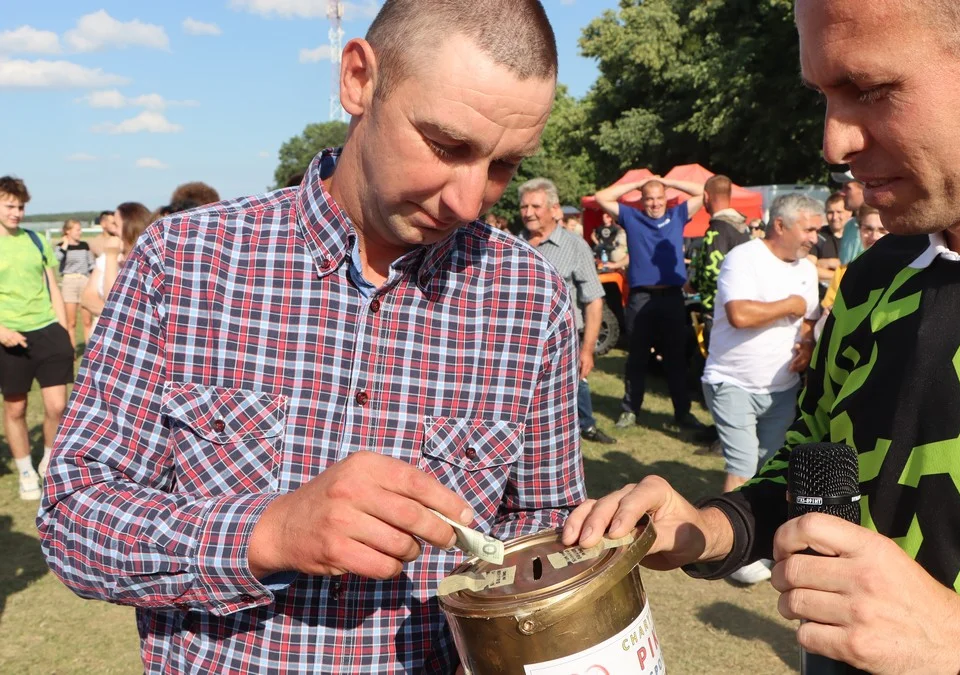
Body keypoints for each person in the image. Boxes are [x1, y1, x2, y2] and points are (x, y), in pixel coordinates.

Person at [563, 0, 960, 671]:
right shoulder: (874, 278)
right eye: (825, 96)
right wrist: (708, 528)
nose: (833, 143)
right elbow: (815, 473)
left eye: (869, 90)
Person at [39, 2, 584, 673]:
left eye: (502, 164)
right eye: (447, 146)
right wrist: (268, 532)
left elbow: (541, 532)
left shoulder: (532, 302)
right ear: (358, 79)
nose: (469, 202)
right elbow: (72, 519)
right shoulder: (183, 262)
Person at [702, 193, 823, 584]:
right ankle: (731, 555)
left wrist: (806, 344)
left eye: (818, 230)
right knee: (742, 464)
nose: (815, 238)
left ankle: (762, 541)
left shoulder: (806, 268)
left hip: (782, 387)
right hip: (732, 380)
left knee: (771, 466)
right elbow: (739, 314)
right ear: (780, 225)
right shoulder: (744, 258)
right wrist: (787, 304)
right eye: (809, 229)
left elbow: (810, 317)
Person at [593, 175, 707, 432]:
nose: (655, 204)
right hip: (640, 297)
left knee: (676, 359)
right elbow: (602, 196)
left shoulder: (677, 215)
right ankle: (630, 410)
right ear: (642, 201)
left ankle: (683, 414)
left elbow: (702, 192)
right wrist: (638, 183)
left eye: (659, 198)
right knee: (637, 357)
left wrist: (669, 181)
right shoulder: (632, 217)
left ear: (666, 199)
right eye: (649, 199)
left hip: (673, 298)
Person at [519, 178, 617, 445]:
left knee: (570, 396)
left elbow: (594, 300)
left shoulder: (575, 246)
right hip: (520, 342)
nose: (528, 212)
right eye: (524, 206)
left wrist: (587, 350)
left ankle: (584, 427)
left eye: (535, 206)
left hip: (564, 342)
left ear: (554, 208)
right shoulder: (516, 246)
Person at [0, 176, 73, 501]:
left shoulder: (34, 240)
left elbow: (53, 287)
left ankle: (47, 460)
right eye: (9, 206)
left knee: (57, 406)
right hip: (7, 334)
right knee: (16, 408)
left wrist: (63, 330)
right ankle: (25, 469)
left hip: (47, 330)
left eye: (20, 207)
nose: (16, 213)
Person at [80, 202, 154, 328]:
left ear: (131, 226)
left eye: (116, 224)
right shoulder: (107, 257)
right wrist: (115, 315)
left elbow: (114, 299)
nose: (112, 229)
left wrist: (111, 257)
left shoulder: (149, 261)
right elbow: (87, 298)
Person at [689, 175, 751, 315]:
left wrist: (693, 284)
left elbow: (713, 271)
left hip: (718, 309)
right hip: (741, 304)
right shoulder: (742, 228)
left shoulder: (717, 229)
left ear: (706, 197)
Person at [820, 204, 888, 311]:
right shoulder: (843, 272)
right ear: (860, 230)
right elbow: (827, 315)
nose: (874, 236)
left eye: (882, 230)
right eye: (868, 229)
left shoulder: (904, 272)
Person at [54, 218, 95, 343]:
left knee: (87, 320)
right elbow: (56, 259)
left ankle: (89, 350)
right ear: (68, 231)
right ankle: (72, 352)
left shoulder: (84, 246)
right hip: (69, 282)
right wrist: (65, 245)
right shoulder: (60, 247)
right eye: (77, 230)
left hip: (84, 280)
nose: (80, 232)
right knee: (71, 322)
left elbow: (91, 264)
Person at [810, 192, 851, 295]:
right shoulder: (817, 235)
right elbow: (809, 269)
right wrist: (840, 273)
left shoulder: (856, 236)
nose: (834, 217)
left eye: (839, 212)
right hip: (822, 298)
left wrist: (825, 263)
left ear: (849, 212)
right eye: (830, 212)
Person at [834, 173, 866, 264]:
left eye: (847, 188)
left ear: (864, 189)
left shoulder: (882, 225)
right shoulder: (849, 226)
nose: (841, 193)